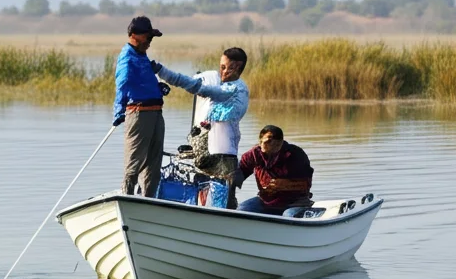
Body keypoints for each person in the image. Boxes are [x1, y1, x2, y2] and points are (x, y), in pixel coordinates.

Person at [153, 48, 250, 207]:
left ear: (239, 68)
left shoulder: (234, 89)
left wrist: (162, 71)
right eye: (222, 67)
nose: (224, 72)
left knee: (223, 203)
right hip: (208, 152)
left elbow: (202, 89)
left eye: (229, 68)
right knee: (201, 198)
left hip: (223, 156)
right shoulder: (225, 87)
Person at [114, 16, 167, 197]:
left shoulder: (142, 55)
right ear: (134, 35)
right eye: (148, 38)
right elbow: (122, 84)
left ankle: (148, 200)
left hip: (155, 114)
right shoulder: (127, 58)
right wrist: (118, 111)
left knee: (154, 164)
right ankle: (127, 197)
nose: (150, 42)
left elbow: (143, 81)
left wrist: (157, 88)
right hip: (139, 114)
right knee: (134, 163)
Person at [236, 125, 314, 217]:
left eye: (276, 143)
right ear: (260, 142)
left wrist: (286, 185)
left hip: (295, 201)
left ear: (281, 142)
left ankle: (310, 213)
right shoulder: (253, 156)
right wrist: (228, 176)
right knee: (242, 210)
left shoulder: (296, 154)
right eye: (268, 142)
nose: (272, 146)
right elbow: (239, 176)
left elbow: (306, 183)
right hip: (266, 200)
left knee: (289, 216)